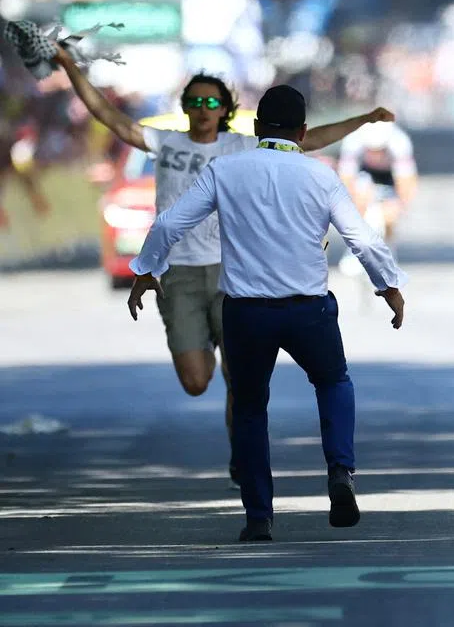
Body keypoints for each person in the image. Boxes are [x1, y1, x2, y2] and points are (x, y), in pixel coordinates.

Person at [53, 46, 394, 486]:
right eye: (194, 101)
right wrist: (69, 67)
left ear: (228, 111)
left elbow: (305, 139)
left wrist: (362, 120)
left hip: (232, 274)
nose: (202, 108)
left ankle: (245, 462)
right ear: (185, 108)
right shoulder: (165, 142)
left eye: (211, 101)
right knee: (197, 381)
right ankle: (286, 454)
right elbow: (108, 117)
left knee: (243, 381)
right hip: (180, 276)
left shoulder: (240, 147)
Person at [126, 84, 408, 542]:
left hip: (246, 314)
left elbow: (169, 223)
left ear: (256, 129)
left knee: (251, 407)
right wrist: (388, 286)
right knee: (333, 381)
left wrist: (145, 271)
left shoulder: (225, 169)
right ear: (302, 131)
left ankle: (259, 516)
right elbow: (363, 238)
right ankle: (340, 471)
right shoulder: (320, 176)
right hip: (308, 311)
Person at [336, 119, 418, 272]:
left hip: (389, 176)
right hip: (364, 172)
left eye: (379, 149)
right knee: (359, 199)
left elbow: (407, 184)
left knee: (390, 214)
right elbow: (345, 181)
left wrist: (399, 207)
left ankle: (387, 249)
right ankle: (356, 250)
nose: (375, 154)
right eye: (371, 149)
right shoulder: (353, 141)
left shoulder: (399, 142)